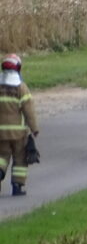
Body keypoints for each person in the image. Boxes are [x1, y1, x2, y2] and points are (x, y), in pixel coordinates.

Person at [0, 55, 39, 197]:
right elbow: (29, 110)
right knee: (20, 159)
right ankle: (17, 186)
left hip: (1, 134)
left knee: (2, 157)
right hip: (19, 134)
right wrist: (34, 129)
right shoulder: (21, 88)